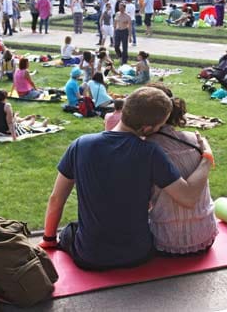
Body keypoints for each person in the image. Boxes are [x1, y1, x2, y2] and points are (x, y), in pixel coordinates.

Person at [39, 87, 213, 271]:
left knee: (70, 231)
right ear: (147, 128)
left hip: (90, 255)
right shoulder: (150, 152)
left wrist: (49, 240)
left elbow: (56, 199)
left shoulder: (81, 144)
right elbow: (188, 197)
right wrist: (207, 158)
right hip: (138, 254)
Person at [147, 94, 217, 255]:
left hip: (166, 241)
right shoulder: (197, 140)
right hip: (205, 236)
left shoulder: (147, 149)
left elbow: (188, 198)